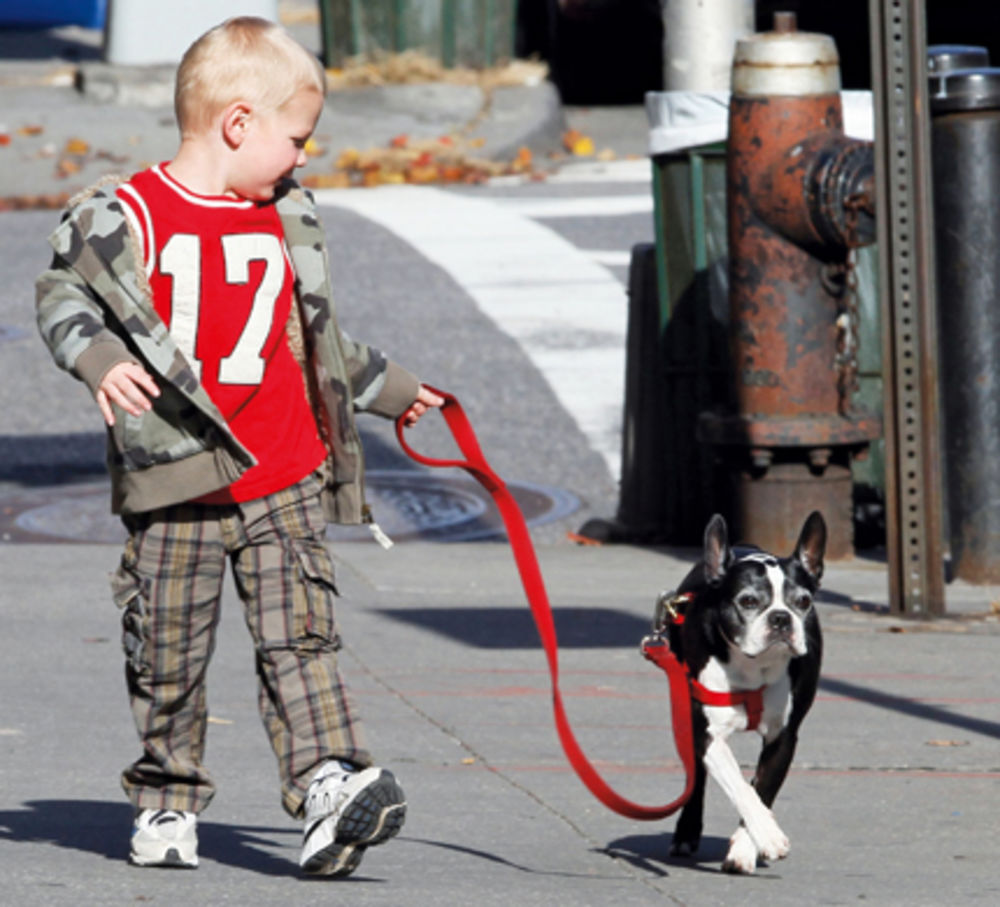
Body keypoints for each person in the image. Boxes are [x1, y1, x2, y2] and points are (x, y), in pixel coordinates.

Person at [35, 16, 443, 877]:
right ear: (238, 124)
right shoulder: (129, 214)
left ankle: (331, 785)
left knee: (301, 639)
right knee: (168, 654)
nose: (302, 158)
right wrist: (100, 359)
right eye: (296, 138)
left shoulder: (285, 218)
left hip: (284, 477)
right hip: (173, 482)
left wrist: (398, 390)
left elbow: (315, 344)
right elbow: (65, 294)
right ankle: (167, 796)